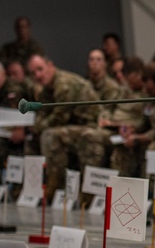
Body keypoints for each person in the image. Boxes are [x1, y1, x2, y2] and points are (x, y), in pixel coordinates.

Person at [25, 54, 105, 202]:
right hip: (70, 126)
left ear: (51, 66)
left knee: (50, 135)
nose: (38, 75)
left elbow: (59, 116)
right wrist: (33, 128)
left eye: (40, 69)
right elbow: (43, 113)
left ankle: (56, 185)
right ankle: (33, 187)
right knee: (32, 138)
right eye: (33, 73)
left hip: (88, 124)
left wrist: (37, 127)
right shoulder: (46, 90)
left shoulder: (63, 83)